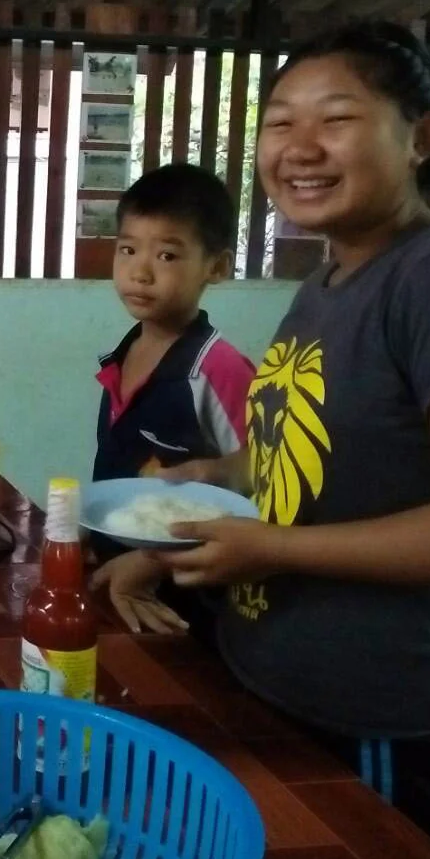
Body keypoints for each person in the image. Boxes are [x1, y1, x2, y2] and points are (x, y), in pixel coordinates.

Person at [93, 22, 430, 859]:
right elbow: (310, 455)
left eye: (335, 118)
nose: (299, 148)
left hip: (381, 717)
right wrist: (202, 495)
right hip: (278, 680)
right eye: (279, 122)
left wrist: (269, 548)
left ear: (419, 137)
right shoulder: (329, 280)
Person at [89, 165, 255, 636]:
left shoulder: (217, 369)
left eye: (166, 255)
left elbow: (262, 483)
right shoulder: (124, 354)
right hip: (117, 584)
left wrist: (152, 562)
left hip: (188, 607)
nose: (140, 272)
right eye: (127, 249)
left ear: (216, 267)